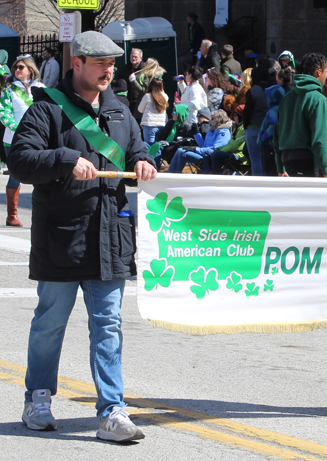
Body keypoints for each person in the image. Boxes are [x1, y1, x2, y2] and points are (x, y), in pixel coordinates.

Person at [7, 31, 156, 442]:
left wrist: (144, 163)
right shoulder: (47, 110)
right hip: (63, 235)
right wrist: (65, 159)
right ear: (78, 64)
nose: (109, 70)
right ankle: (38, 398)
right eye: (100, 63)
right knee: (50, 323)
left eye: (113, 63)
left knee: (108, 325)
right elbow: (20, 161)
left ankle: (111, 410)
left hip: (110, 236)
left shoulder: (121, 110)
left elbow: (137, 152)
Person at [0, 54, 45, 227]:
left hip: (37, 139)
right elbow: (4, 114)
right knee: (15, 176)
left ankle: (41, 212)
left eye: (21, 67)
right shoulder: (9, 89)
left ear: (30, 69)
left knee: (39, 174)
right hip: (13, 140)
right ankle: (12, 215)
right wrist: (19, 129)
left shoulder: (41, 88)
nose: (17, 70)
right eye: (15, 68)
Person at [273, 53, 327, 178]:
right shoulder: (319, 99)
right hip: (308, 159)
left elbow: (277, 135)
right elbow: (319, 139)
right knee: (310, 197)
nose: (326, 76)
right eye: (326, 72)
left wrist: (280, 167)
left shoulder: (287, 97)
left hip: (287, 158)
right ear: (319, 72)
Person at [167, 109, 231, 173]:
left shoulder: (224, 132)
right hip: (203, 153)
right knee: (180, 150)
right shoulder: (212, 130)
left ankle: (175, 176)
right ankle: (170, 173)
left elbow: (215, 149)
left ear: (218, 119)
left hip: (209, 158)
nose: (211, 120)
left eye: (212, 118)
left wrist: (195, 150)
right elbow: (203, 145)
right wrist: (196, 133)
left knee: (182, 153)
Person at [243, 66, 270, 176]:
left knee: (255, 158)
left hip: (254, 127)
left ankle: (258, 181)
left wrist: (246, 126)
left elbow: (247, 111)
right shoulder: (272, 89)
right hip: (268, 127)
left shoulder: (253, 90)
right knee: (267, 158)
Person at [208, 105, 248, 174]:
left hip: (241, 156)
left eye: (235, 115)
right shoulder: (237, 128)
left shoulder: (243, 129)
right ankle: (206, 173)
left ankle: (217, 177)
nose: (233, 117)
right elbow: (230, 143)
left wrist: (220, 150)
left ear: (241, 117)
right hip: (234, 153)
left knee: (215, 154)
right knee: (210, 152)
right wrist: (219, 148)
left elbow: (235, 145)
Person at [138, 77, 169, 148]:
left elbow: (140, 109)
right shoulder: (165, 96)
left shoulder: (147, 96)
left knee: (149, 146)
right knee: (159, 147)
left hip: (149, 125)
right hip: (161, 125)